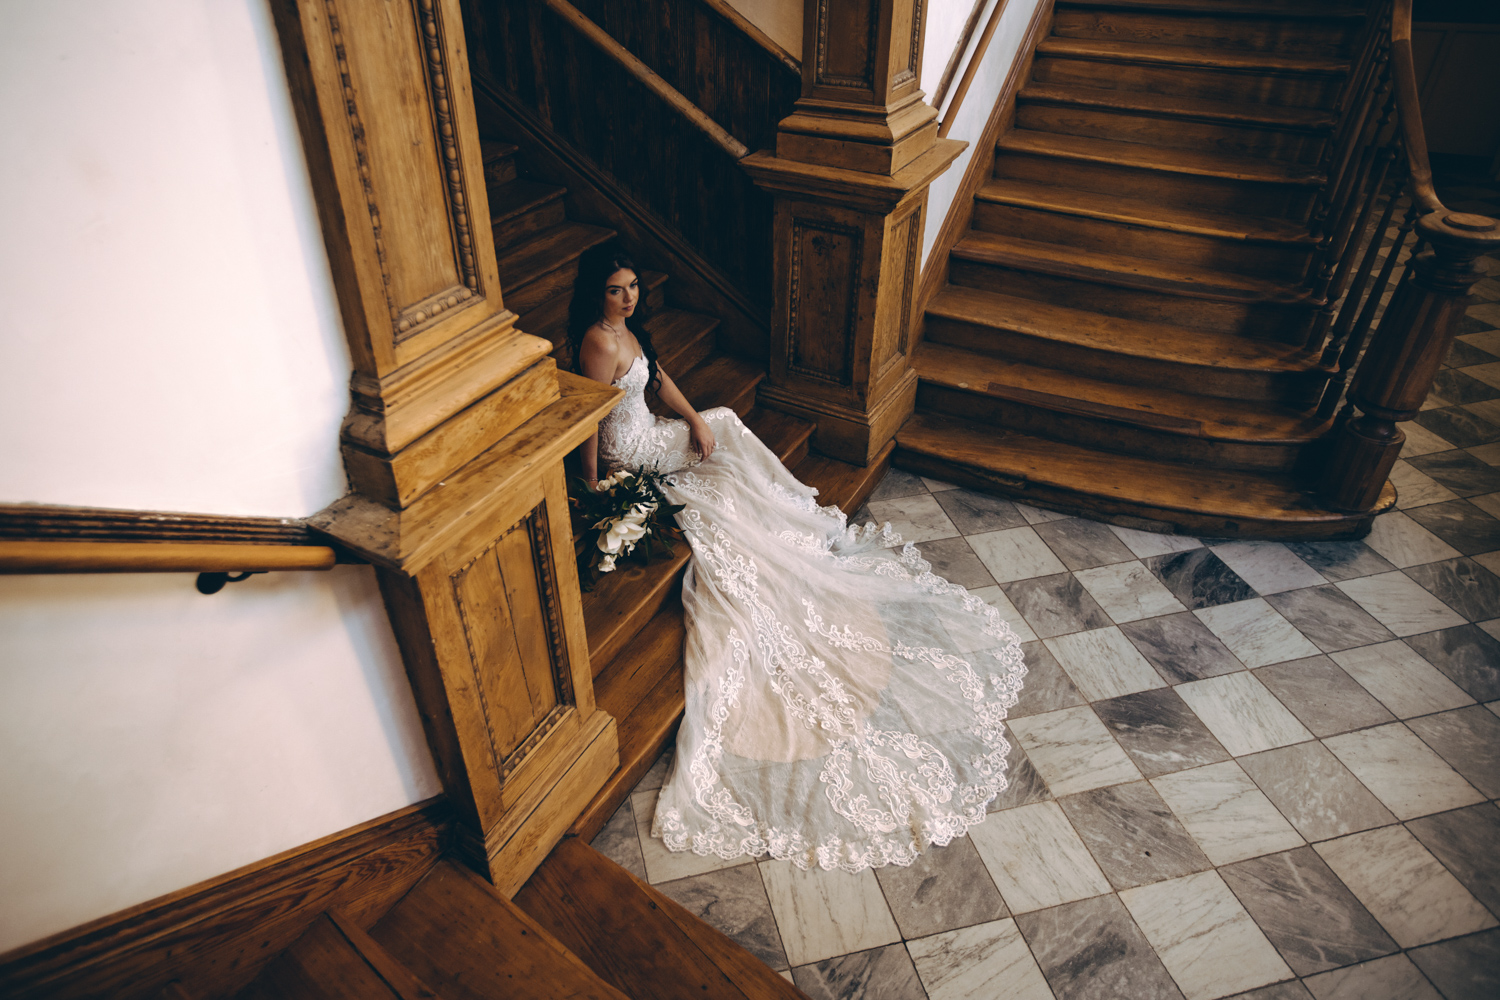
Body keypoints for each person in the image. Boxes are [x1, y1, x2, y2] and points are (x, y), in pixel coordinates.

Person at [570, 244, 1027, 872]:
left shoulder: (626, 330)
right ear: (596, 293)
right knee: (726, 461)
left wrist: (692, 421)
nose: (629, 298)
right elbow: (591, 418)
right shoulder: (598, 343)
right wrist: (596, 486)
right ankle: (786, 507)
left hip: (656, 434)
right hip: (634, 454)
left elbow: (661, 379)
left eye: (633, 287)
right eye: (617, 290)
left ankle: (792, 506)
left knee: (721, 423)